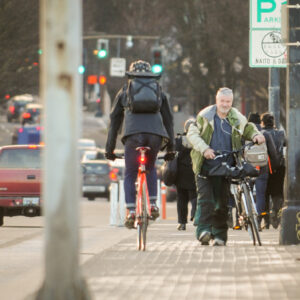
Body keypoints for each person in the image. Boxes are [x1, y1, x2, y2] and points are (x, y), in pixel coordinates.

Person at [187, 87, 265, 246]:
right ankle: (203, 231)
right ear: (217, 101)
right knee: (206, 200)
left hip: (226, 165)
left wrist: (256, 134)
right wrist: (205, 149)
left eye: (228, 101)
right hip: (205, 165)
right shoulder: (205, 116)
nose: (225, 104)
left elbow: (247, 128)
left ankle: (220, 235)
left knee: (222, 202)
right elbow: (192, 134)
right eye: (222, 101)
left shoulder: (236, 116)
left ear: (231, 102)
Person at [105, 60, 175, 229]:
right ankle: (152, 205)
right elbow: (169, 120)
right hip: (155, 136)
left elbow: (114, 121)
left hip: (133, 136)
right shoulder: (159, 92)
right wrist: (171, 147)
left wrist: (110, 149)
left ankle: (130, 211)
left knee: (130, 172)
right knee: (149, 168)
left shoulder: (125, 92)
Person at [248, 112, 279, 230]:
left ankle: (241, 219)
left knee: (246, 194)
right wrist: (274, 168)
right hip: (262, 168)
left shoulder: (245, 133)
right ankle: (258, 220)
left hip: (247, 168)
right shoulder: (265, 134)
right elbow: (273, 153)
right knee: (261, 195)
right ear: (260, 122)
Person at [261, 113, 286, 229]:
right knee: (277, 193)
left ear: (262, 122)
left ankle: (266, 221)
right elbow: (285, 144)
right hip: (279, 167)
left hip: (264, 167)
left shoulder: (261, 134)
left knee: (265, 194)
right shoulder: (280, 133)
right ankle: (276, 213)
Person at [175, 118, 197, 231]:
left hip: (181, 174)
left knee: (181, 199)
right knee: (195, 196)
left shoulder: (179, 140)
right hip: (195, 171)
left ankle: (182, 222)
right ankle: (195, 215)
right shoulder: (199, 140)